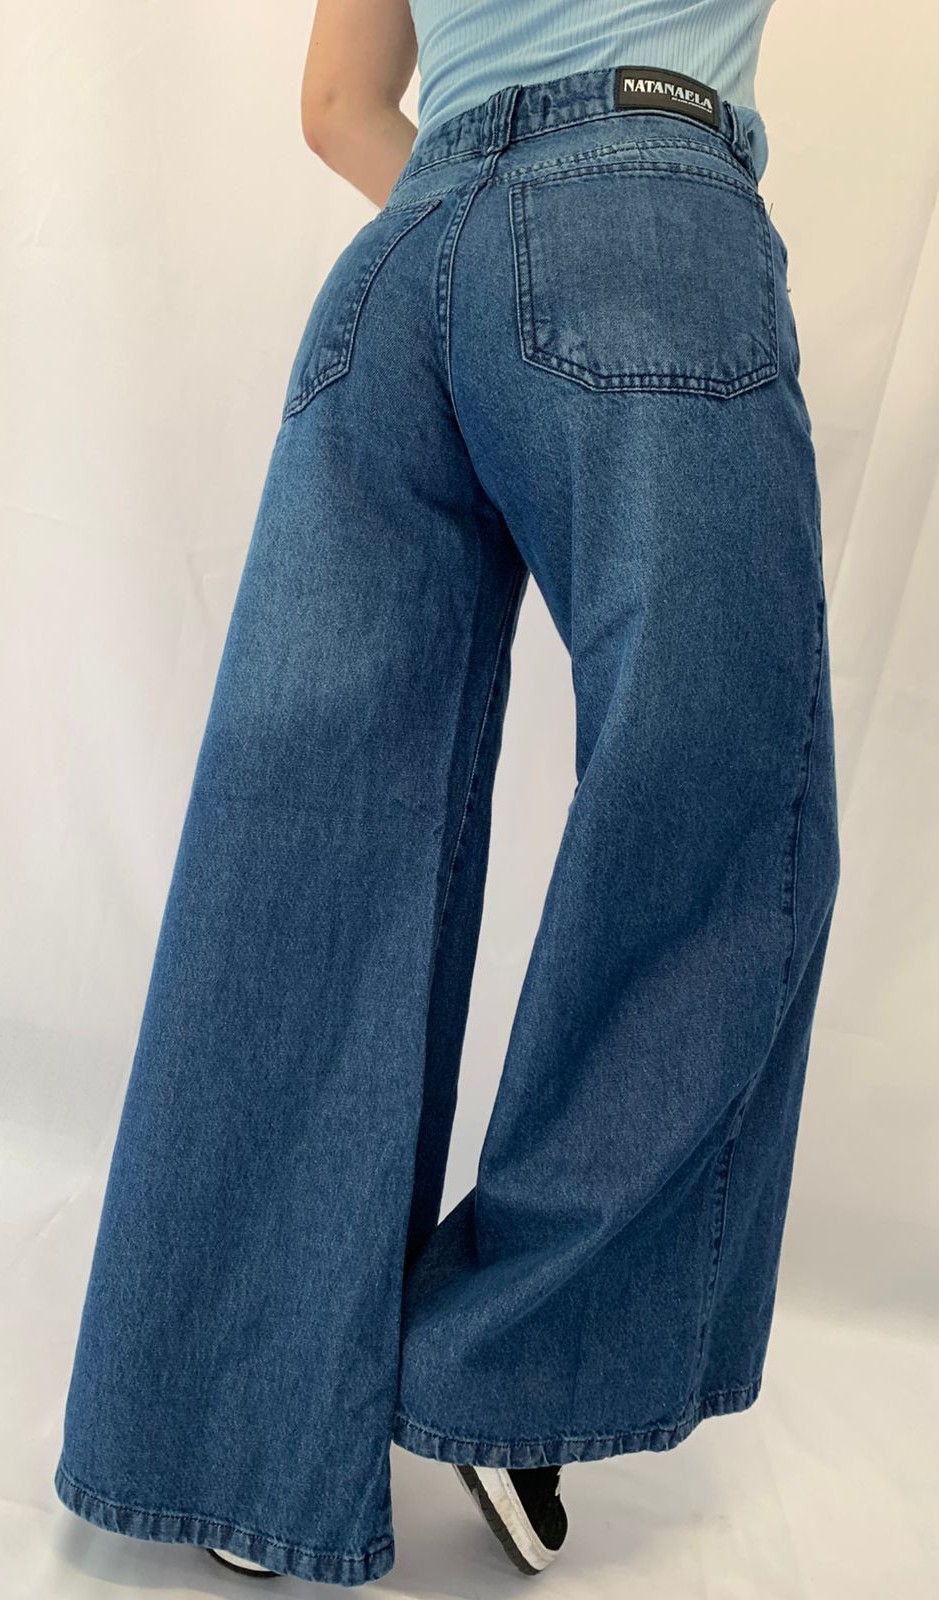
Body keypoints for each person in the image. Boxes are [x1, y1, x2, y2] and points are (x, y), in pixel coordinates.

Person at [52, 0, 841, 1586]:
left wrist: (490, 216)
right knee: (723, 816)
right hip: (647, 224)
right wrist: (578, 218)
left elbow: (339, 104)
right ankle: (511, 1364)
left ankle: (235, 1431)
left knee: (307, 842)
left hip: (401, 269)